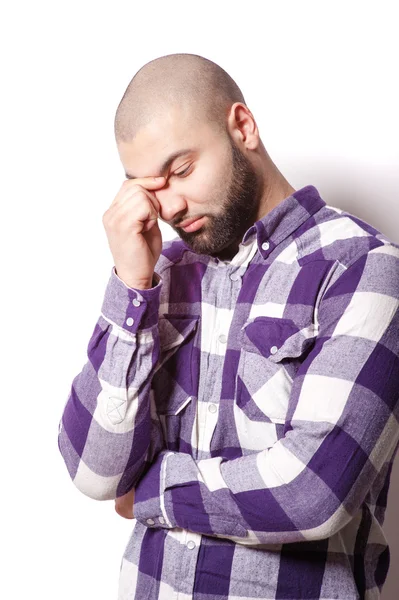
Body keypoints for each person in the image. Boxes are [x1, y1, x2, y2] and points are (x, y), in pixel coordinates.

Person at [57, 52, 399, 600]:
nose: (168, 205)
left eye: (183, 170)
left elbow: (315, 490)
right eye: (149, 187)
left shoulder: (361, 267)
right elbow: (94, 474)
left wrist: (152, 494)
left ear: (242, 127)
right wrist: (130, 286)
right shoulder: (158, 277)